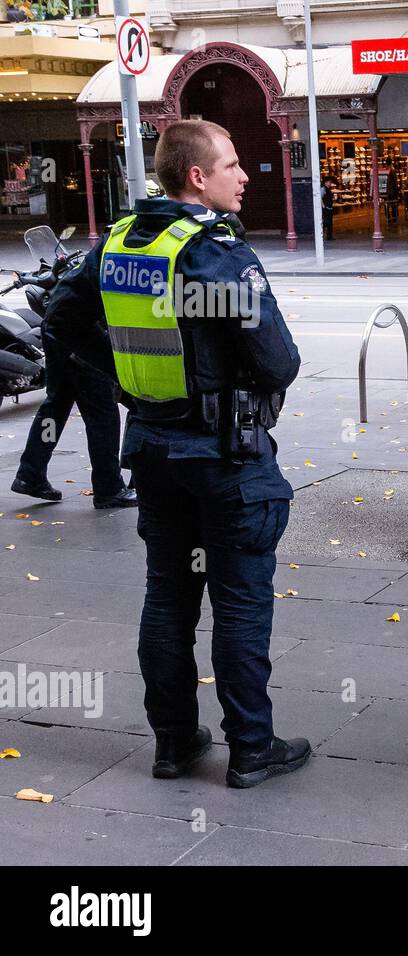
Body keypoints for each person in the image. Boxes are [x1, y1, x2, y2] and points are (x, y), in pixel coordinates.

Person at [42, 119, 310, 788]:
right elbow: (279, 361)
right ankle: (252, 748)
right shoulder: (214, 253)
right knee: (241, 605)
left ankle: (173, 744)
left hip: (155, 451)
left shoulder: (121, 245)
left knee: (168, 599)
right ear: (198, 176)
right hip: (226, 458)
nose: (244, 175)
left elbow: (60, 319)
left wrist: (130, 381)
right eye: (232, 165)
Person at [10, 334, 137, 510]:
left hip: (57, 334)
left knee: (56, 406)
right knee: (102, 414)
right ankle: (109, 488)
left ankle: (30, 473)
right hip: (83, 337)